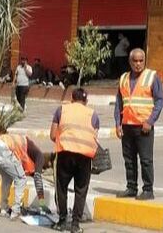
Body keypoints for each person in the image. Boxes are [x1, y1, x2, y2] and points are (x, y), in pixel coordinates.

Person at [115, 48, 163, 201]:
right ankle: (131, 187)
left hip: (144, 127)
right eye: (135, 61)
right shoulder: (123, 78)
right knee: (129, 160)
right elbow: (119, 103)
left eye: (141, 60)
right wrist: (118, 123)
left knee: (145, 160)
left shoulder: (151, 77)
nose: (138, 64)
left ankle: (148, 190)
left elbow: (160, 101)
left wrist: (150, 121)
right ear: (130, 62)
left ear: (144, 61)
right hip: (127, 126)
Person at [50, 87, 100, 233]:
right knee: (81, 190)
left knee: (61, 187)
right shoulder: (93, 114)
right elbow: (94, 137)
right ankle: (75, 225)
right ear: (86, 101)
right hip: (84, 157)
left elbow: (53, 135)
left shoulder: (62, 110)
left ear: (71, 99)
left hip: (65, 154)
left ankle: (62, 221)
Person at [0, 133, 52, 220]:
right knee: (21, 179)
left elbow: (21, 171)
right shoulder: (40, 157)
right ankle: (16, 211)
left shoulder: (28, 152)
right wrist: (42, 204)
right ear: (47, 163)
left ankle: (4, 209)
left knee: (7, 178)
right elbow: (37, 178)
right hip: (4, 148)